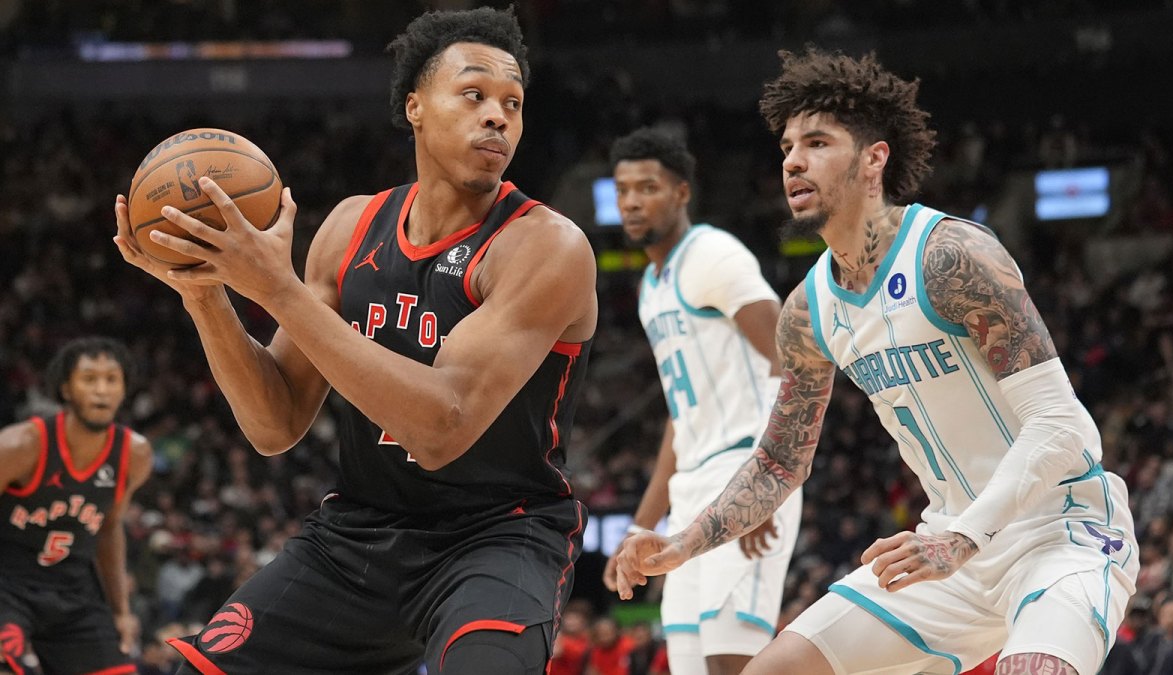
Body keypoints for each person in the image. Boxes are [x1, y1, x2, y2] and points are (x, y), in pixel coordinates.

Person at [615, 47, 1139, 675]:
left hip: (1060, 531)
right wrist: (682, 543)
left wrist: (962, 537)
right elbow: (780, 462)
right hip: (946, 549)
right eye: (786, 147)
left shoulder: (950, 256)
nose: (793, 162)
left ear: (873, 159)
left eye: (817, 143)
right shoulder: (807, 309)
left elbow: (1061, 423)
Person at [113, 6, 597, 674]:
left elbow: (442, 427)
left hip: (497, 534)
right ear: (414, 106)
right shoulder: (350, 228)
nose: (497, 117)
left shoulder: (546, 246)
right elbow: (275, 422)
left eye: (512, 103)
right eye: (474, 94)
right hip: (359, 531)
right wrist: (204, 292)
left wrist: (278, 289)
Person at [603, 127, 801, 675]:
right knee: (689, 664)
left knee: (729, 662)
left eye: (648, 187)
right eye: (623, 190)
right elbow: (679, 418)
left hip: (745, 465)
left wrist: (762, 487)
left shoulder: (713, 254)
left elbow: (792, 356)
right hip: (690, 488)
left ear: (682, 193)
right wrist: (640, 527)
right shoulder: (651, 286)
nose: (632, 202)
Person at [0, 337, 153, 675]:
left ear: (124, 390)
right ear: (66, 389)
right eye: (89, 379)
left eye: (111, 379)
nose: (101, 390)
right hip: (7, 586)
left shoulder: (134, 454)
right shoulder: (20, 445)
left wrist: (120, 611)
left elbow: (109, 529)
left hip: (74, 593)